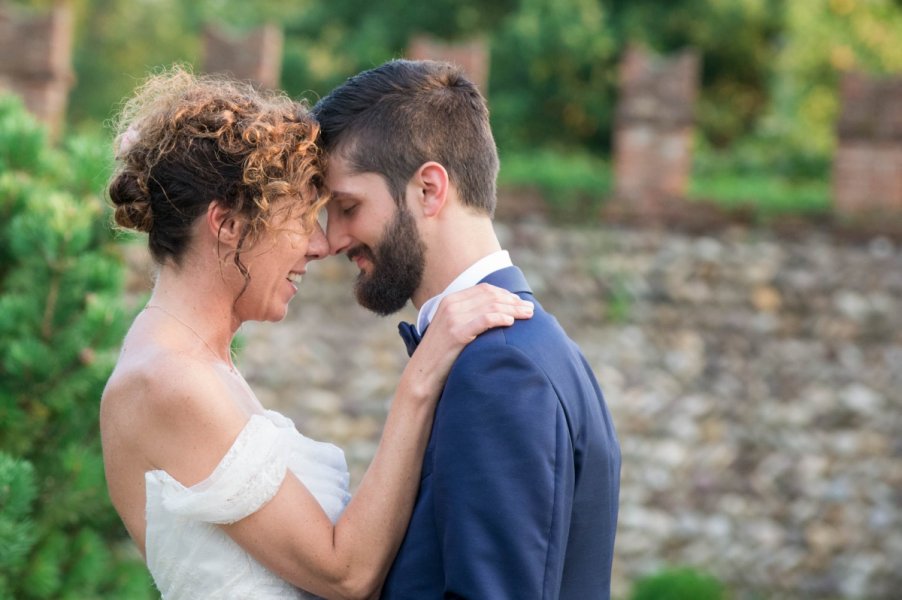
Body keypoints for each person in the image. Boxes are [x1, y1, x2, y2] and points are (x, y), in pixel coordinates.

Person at [99, 67, 535, 600]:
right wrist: (422, 374)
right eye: (302, 219)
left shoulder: (196, 365)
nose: (320, 246)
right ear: (228, 225)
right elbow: (343, 573)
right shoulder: (166, 380)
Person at [313, 58, 622, 599]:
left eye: (347, 206)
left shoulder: (501, 369)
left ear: (429, 189)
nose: (333, 239)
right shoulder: (524, 348)